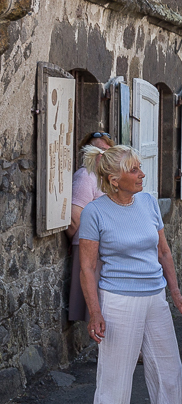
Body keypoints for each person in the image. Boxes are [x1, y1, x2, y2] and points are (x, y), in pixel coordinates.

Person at [78, 145, 182, 404]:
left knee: (168, 369)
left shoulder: (146, 203)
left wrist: (175, 294)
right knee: (115, 375)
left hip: (154, 297)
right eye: (134, 170)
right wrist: (95, 311)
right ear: (114, 180)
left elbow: (163, 251)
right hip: (118, 300)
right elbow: (87, 268)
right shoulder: (94, 212)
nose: (142, 174)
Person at [67, 132, 114, 322]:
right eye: (97, 150)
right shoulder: (86, 176)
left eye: (106, 151)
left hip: (103, 247)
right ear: (87, 153)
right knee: (97, 303)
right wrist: (76, 243)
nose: (101, 155)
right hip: (90, 247)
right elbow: (73, 218)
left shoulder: (104, 177)